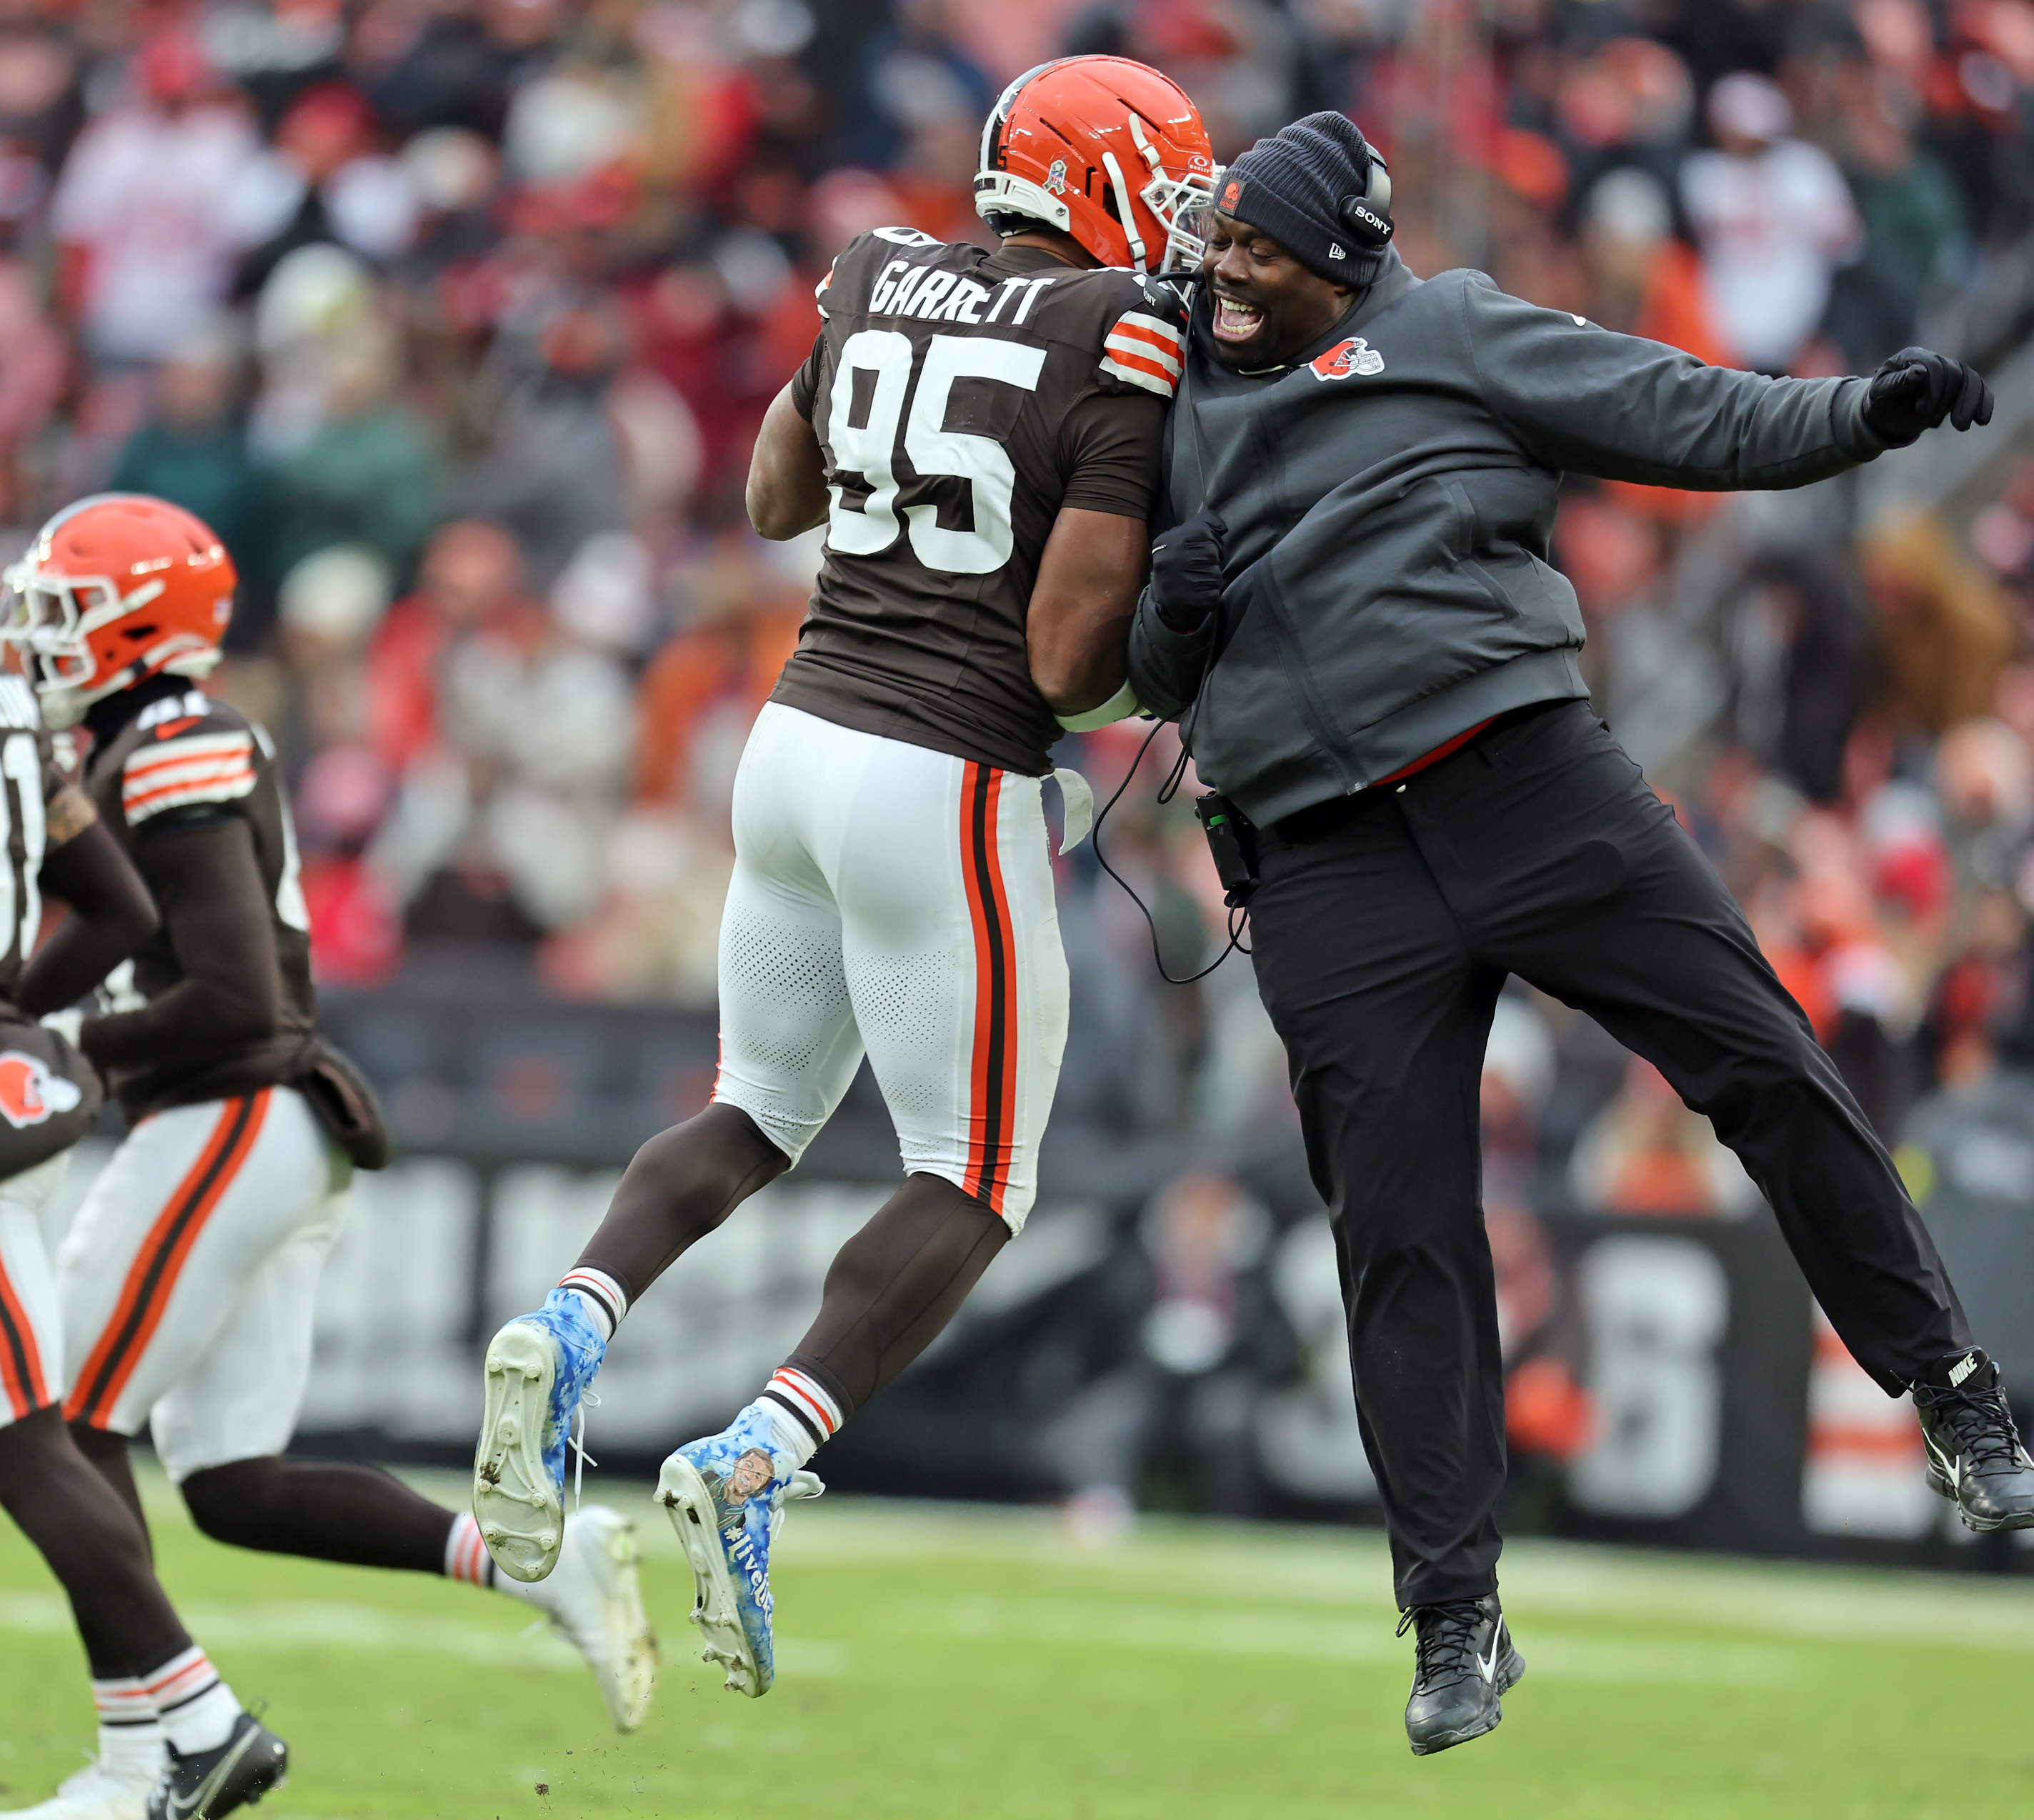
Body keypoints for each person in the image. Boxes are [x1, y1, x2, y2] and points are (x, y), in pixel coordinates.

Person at [1125, 111, 2019, 1758]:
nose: (1222, 273)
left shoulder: (1448, 327)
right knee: (1394, 1221)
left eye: (1257, 249)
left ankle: (1952, 1391)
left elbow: (1683, 411)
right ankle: (1452, 1609)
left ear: (1338, 263)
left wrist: (1861, 414)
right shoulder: (1162, 388)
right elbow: (1121, 668)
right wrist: (1166, 617)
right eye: (1219, 242)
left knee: (1761, 1059)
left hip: (1524, 775)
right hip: (1322, 856)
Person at [470, 55, 1212, 1699]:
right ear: (1095, 181)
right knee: (973, 1178)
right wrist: (1166, 679)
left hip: (793, 736)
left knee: (751, 1105)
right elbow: (1063, 650)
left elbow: (767, 496)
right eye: (1159, 185)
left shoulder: (874, 266)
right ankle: (751, 1454)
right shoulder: (1120, 335)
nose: (1173, 225)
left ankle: (572, 1320)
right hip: (943, 770)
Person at [0, 495, 656, 1770]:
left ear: (142, 628)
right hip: (257, 1127)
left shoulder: (175, 739)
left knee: (63, 1429)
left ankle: (161, 1747)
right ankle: (544, 1566)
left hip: (230, 1113)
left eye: (68, 613)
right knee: (234, 1483)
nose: (43, 636)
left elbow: (237, 996)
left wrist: (70, 1046)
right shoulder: (134, 745)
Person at [0, 618, 286, 1818]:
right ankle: (177, 1732)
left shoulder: (160, 736)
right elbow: (113, 905)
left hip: (228, 1107)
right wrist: (18, 1017)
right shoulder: (22, 717)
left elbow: (174, 942)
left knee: (29, 1441)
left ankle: (199, 1724)